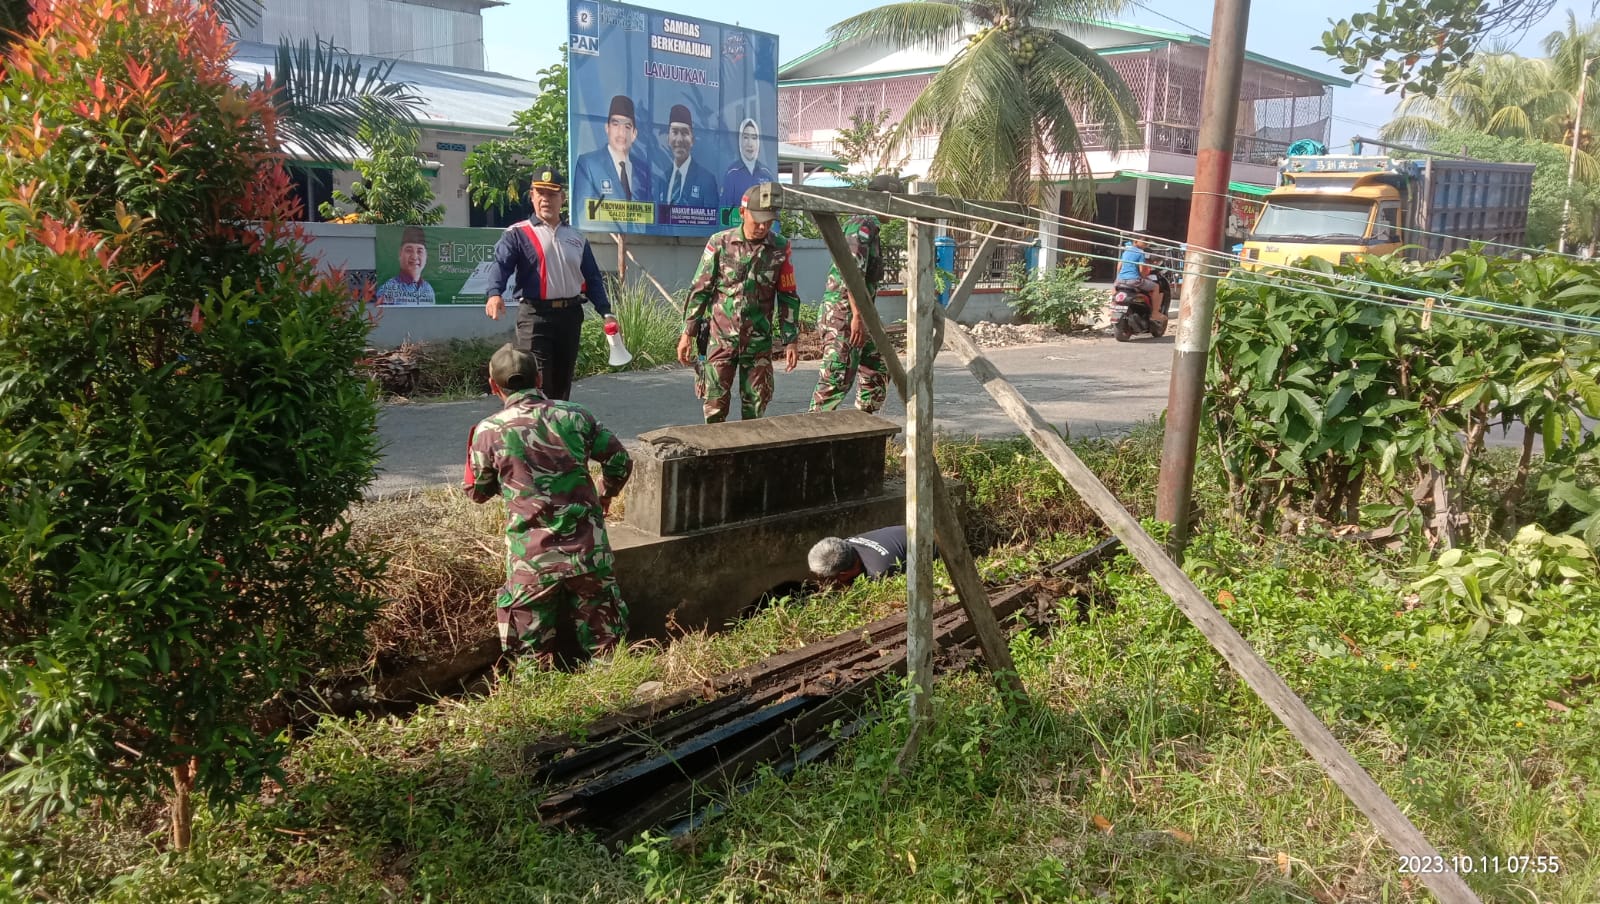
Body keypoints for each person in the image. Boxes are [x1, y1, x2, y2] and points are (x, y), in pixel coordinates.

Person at [463, 343, 633, 669]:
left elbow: (478, 493)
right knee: (608, 654)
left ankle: (540, 707)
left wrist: (516, 488)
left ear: (492, 385)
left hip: (532, 563)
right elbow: (619, 461)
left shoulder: (488, 432)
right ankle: (615, 699)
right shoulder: (576, 416)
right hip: (589, 555)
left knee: (530, 661)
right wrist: (605, 494)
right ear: (539, 378)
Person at [483, 166, 616, 402]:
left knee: (562, 383)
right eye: (540, 193)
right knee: (536, 381)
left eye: (552, 193)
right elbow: (501, 265)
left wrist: (606, 312)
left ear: (562, 198)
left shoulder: (576, 237)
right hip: (535, 317)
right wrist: (494, 293)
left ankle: (559, 433)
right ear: (532, 196)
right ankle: (534, 432)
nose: (546, 199)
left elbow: (593, 278)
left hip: (570, 316)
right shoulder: (517, 234)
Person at [677, 186, 801, 423]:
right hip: (720, 339)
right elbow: (700, 290)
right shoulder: (721, 243)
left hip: (758, 342)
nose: (764, 227)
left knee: (755, 410)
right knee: (714, 407)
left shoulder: (780, 247)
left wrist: (791, 339)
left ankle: (748, 459)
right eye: (759, 221)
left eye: (769, 222)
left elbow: (788, 295)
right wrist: (687, 334)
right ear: (743, 212)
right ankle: (714, 459)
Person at [809, 173, 900, 414]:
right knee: (836, 380)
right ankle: (813, 439)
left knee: (879, 365)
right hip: (844, 313)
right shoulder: (863, 224)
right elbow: (852, 273)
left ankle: (863, 427)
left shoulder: (871, 226)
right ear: (884, 199)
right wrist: (857, 317)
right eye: (896, 201)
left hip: (861, 313)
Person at [573, 94, 652, 206]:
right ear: (607, 128)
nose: (621, 133)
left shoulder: (643, 171)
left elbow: (650, 215)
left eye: (627, 127)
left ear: (634, 134)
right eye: (615, 124)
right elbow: (581, 214)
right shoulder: (589, 164)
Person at [807, 525, 929, 589]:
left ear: (844, 574)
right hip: (915, 529)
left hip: (938, 546)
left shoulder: (880, 571)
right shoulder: (843, 546)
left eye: (824, 577)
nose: (822, 581)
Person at [658, 104, 719, 208]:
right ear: (668, 139)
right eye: (675, 132)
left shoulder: (706, 180)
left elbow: (713, 220)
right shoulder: (663, 179)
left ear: (692, 140)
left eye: (684, 133)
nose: (679, 139)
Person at [719, 117, 776, 210]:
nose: (750, 143)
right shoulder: (732, 174)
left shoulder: (766, 174)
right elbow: (724, 213)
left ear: (758, 142)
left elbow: (772, 210)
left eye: (754, 138)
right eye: (746, 137)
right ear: (740, 141)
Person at [1115, 233, 1168, 328]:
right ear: (1135, 242)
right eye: (1144, 241)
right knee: (1156, 287)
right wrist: (1144, 277)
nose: (1146, 244)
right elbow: (1142, 270)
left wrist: (1119, 277)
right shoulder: (1140, 253)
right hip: (1134, 281)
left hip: (1121, 280)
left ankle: (1113, 306)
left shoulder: (1126, 252)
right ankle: (1155, 313)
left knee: (1115, 290)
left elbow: (1119, 266)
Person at [375, 225, 436, 305]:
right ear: (400, 253)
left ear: (426, 256)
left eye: (419, 251)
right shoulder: (388, 289)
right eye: (409, 250)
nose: (414, 257)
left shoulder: (428, 289)